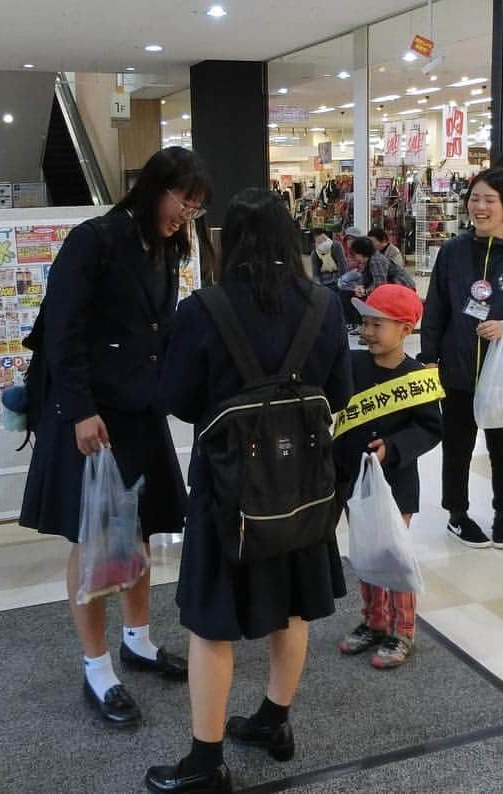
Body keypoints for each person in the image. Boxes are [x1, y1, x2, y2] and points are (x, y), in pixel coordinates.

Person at [146, 188, 353, 794]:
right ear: (292, 238)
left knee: (212, 624)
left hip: (227, 491)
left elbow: (178, 400)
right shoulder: (323, 304)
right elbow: (338, 394)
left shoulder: (203, 310)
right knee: (292, 607)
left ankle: (205, 765)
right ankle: (273, 721)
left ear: (227, 243)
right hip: (304, 487)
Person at [20, 147, 214, 729]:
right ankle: (97, 665)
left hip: (140, 409)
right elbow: (63, 331)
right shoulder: (94, 239)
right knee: (95, 533)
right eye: (185, 200)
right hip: (89, 416)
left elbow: (159, 328)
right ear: (156, 187)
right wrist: (80, 410)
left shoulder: (166, 246)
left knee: (140, 527)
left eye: (197, 207)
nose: (188, 214)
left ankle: (138, 640)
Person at [419, 168, 503, 550]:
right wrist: (429, 359)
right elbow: (437, 308)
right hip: (457, 368)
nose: (479, 207)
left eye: (489, 200)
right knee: (457, 446)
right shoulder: (453, 251)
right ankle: (457, 515)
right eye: (475, 198)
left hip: (501, 373)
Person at [334, 285, 442, 669]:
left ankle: (402, 630)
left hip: (396, 483)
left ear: (406, 328)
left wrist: (393, 448)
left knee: (393, 554)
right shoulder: (351, 365)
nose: (368, 332)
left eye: (378, 324)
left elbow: (431, 428)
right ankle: (372, 621)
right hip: (354, 482)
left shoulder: (418, 378)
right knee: (365, 553)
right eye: (364, 323)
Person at [349, 235, 416, 297]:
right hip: (396, 290)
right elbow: (368, 281)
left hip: (405, 291)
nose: (355, 258)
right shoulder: (368, 261)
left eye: (355, 254)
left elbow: (380, 285)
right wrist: (361, 287)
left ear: (361, 252)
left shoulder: (376, 260)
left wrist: (365, 291)